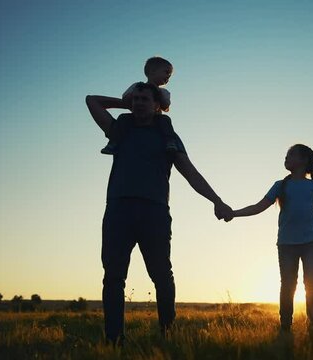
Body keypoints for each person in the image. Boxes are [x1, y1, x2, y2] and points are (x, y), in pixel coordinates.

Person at [86, 82, 232, 346]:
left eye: (145, 99)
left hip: (154, 213)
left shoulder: (168, 139)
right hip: (119, 211)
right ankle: (114, 340)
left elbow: (190, 172)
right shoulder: (121, 129)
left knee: (162, 275)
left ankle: (167, 331)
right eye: (137, 98)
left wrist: (217, 200)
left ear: (157, 106)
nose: (139, 102)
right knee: (114, 276)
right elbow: (92, 100)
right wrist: (126, 102)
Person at [224, 144, 313, 332]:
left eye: (291, 155)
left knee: (312, 282)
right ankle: (285, 325)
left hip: (311, 242)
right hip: (286, 244)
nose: (286, 158)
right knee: (287, 284)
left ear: (304, 160)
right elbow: (258, 206)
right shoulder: (279, 185)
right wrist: (234, 213)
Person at [101, 56, 177, 155]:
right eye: (166, 72)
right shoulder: (137, 86)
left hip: (155, 120)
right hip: (136, 118)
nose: (168, 77)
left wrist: (158, 93)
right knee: (123, 118)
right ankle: (114, 143)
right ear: (152, 71)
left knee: (165, 120)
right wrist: (135, 94)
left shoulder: (163, 92)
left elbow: (166, 106)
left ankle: (170, 142)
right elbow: (125, 100)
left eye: (170, 75)